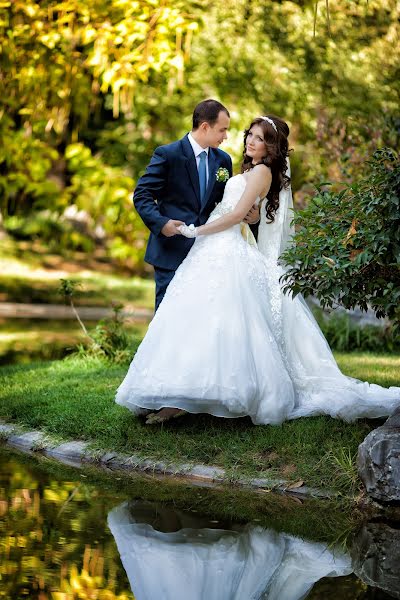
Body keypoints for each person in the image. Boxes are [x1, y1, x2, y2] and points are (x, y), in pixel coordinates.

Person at [116, 115, 400, 425]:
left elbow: (236, 213)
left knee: (218, 319)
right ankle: (176, 393)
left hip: (222, 245)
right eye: (249, 134)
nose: (250, 140)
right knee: (194, 317)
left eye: (260, 137)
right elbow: (246, 214)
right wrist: (245, 219)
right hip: (215, 246)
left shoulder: (262, 171)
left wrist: (196, 231)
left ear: (272, 147)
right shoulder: (249, 170)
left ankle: (194, 397)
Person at [134, 99, 259, 311]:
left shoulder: (223, 161)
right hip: (171, 251)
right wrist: (161, 223)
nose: (226, 136)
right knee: (167, 320)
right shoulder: (168, 154)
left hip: (208, 254)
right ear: (204, 127)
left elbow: (225, 204)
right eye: (222, 130)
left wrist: (253, 218)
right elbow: (142, 194)